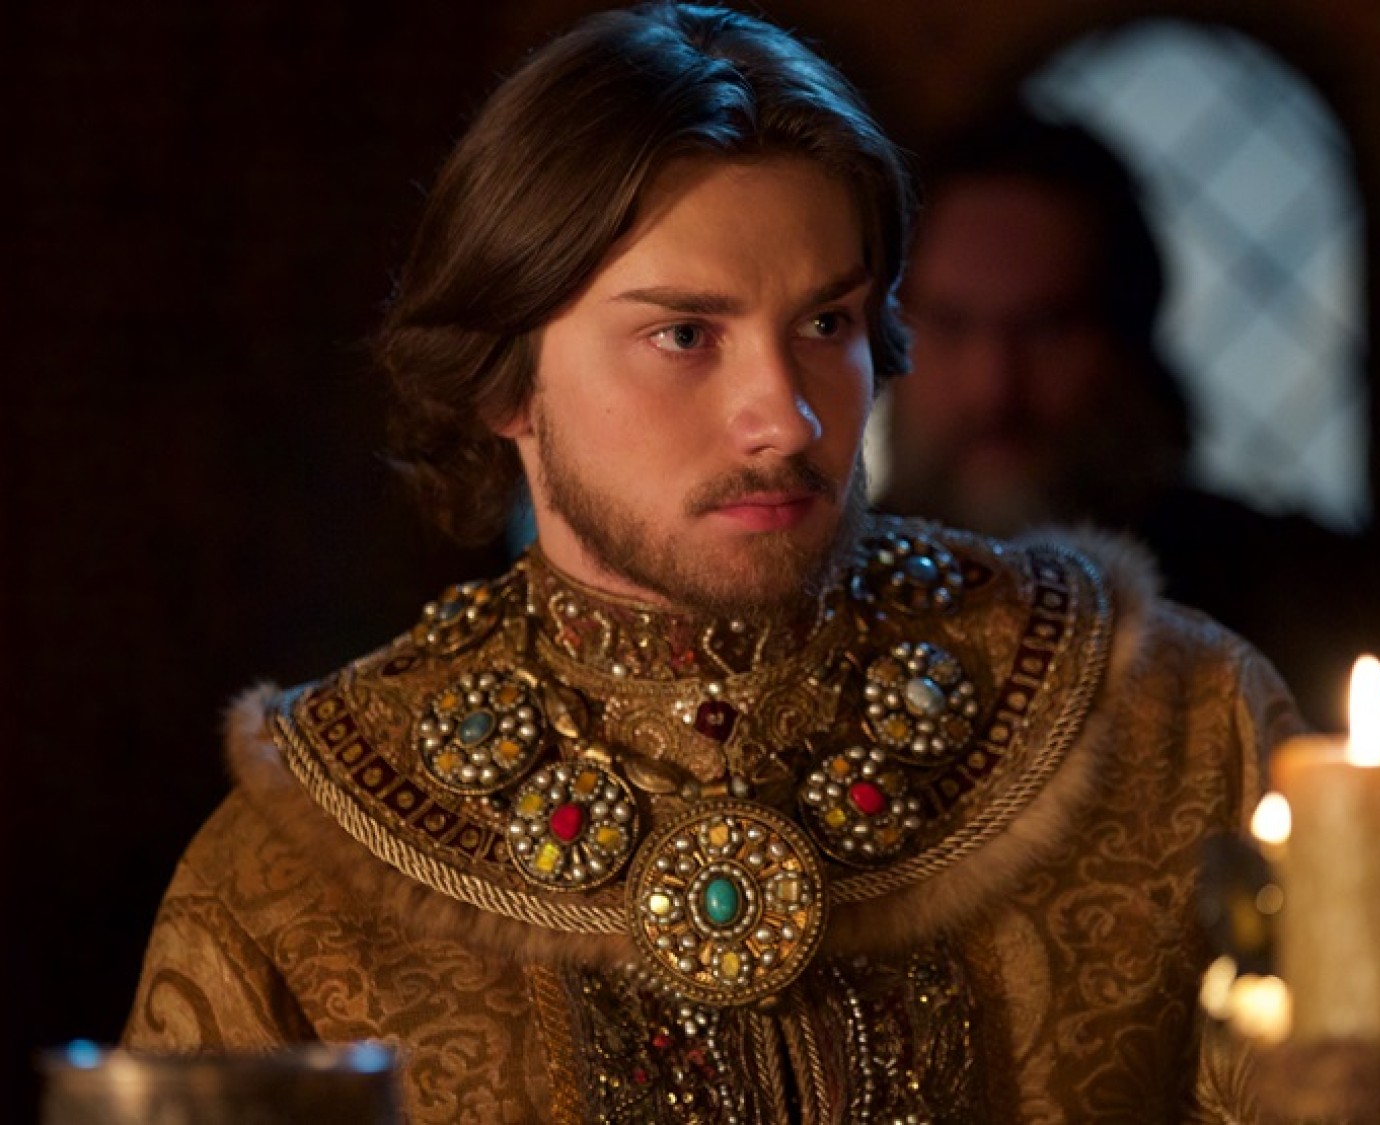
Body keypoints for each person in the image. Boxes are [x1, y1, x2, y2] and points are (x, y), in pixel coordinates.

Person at [125, 6, 1298, 1121]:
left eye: (826, 324)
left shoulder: (1172, 726)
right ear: (504, 381)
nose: (786, 420)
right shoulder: (298, 863)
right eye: (684, 335)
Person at [881, 107, 1380, 732]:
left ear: (1126, 342)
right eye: (950, 325)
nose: (995, 388)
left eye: (1047, 328)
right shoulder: (824, 597)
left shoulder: (1299, 603)